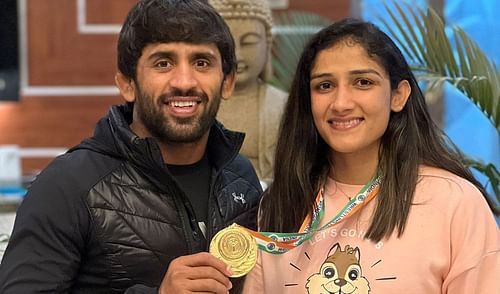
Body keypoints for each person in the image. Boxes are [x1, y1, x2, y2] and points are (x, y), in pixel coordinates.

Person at [0, 0, 263, 293]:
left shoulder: (242, 178)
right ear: (127, 84)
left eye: (202, 62)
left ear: (227, 83)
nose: (184, 81)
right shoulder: (67, 185)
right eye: (163, 63)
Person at [243, 18, 499, 293]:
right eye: (325, 86)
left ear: (398, 95)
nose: (341, 103)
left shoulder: (455, 203)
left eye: (363, 82)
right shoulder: (280, 202)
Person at [209, 0, 288, 185]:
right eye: (227, 43)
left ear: (268, 44)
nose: (237, 55)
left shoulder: (284, 106)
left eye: (250, 42)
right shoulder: (198, 105)